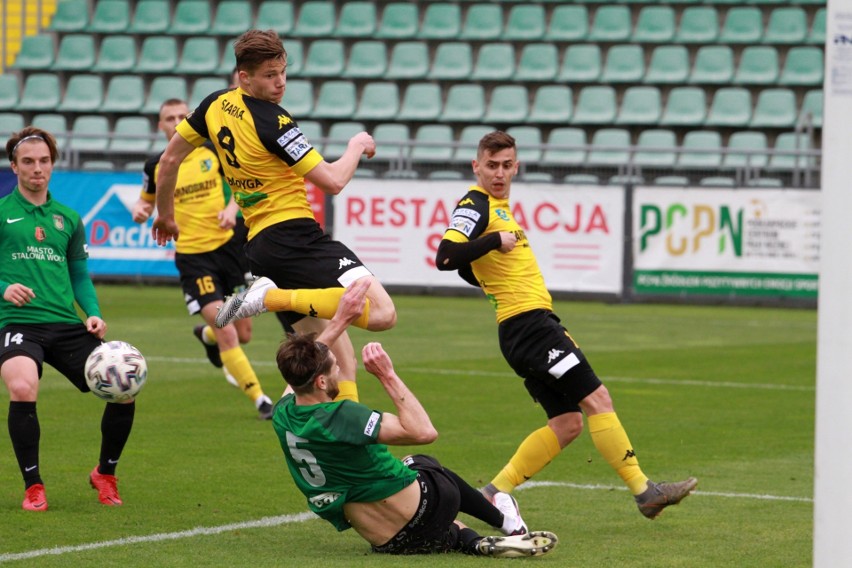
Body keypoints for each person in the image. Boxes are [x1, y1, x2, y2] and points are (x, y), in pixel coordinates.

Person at [436, 131, 698, 520]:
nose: (500, 173)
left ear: (517, 166)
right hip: (530, 328)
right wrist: (493, 242)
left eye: (507, 165)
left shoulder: (499, 207)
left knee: (567, 422)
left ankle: (493, 491)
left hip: (525, 329)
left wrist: (488, 276)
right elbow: (446, 257)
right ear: (476, 166)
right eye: (491, 166)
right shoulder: (476, 203)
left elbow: (465, 267)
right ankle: (645, 492)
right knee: (598, 399)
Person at [152, 29, 396, 405]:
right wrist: (357, 145)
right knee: (382, 313)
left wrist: (165, 216)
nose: (280, 82)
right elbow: (332, 181)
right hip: (294, 237)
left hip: (262, 246)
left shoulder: (214, 104)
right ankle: (273, 298)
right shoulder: (274, 121)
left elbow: (169, 160)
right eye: (269, 75)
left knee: (334, 362)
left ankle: (343, 444)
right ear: (244, 77)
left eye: (282, 72)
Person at [272, 279, 558, 557]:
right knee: (421, 462)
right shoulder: (342, 416)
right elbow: (424, 431)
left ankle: (475, 543)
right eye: (335, 368)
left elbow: (302, 372)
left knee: (443, 530)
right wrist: (387, 375)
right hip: (428, 507)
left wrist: (341, 321)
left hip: (388, 542)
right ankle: (506, 522)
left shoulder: (283, 414)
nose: (339, 370)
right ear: (321, 382)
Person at [0, 127, 136, 510]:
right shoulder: (1, 214)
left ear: (53, 164)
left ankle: (105, 473)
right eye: (28, 161)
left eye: (44, 161)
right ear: (14, 166)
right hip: (18, 323)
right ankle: (33, 485)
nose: (37, 168)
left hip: (66, 324)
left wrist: (92, 313)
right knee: (24, 387)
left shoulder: (68, 218)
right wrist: (4, 288)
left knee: (125, 386)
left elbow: (79, 275)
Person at [132, 98, 275, 419]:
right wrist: (141, 211)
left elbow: (245, 188)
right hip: (193, 258)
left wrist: (231, 209)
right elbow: (145, 203)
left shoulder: (215, 150)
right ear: (161, 125)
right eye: (170, 117)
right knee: (227, 328)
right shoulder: (156, 165)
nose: (177, 121)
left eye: (183, 116)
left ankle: (206, 336)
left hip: (229, 251)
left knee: (244, 334)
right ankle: (261, 399)